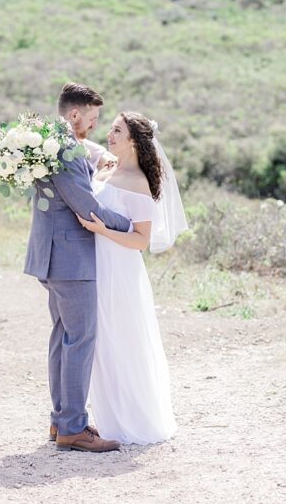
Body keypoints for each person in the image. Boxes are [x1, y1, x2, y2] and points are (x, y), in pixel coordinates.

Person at [23, 83, 132, 452]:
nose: (95, 125)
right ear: (75, 115)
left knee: (62, 337)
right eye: (93, 118)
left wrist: (98, 156)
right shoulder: (65, 150)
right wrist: (130, 226)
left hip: (51, 255)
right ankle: (72, 426)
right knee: (79, 338)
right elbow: (87, 208)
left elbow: (85, 153)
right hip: (70, 258)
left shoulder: (47, 140)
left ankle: (60, 422)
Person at [76, 112, 184, 444]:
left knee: (121, 339)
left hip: (119, 268)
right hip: (94, 264)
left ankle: (133, 420)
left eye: (117, 130)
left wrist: (102, 230)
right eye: (110, 128)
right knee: (101, 342)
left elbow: (141, 240)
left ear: (134, 140)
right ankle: (107, 417)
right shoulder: (108, 166)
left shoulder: (138, 181)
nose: (109, 133)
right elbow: (84, 146)